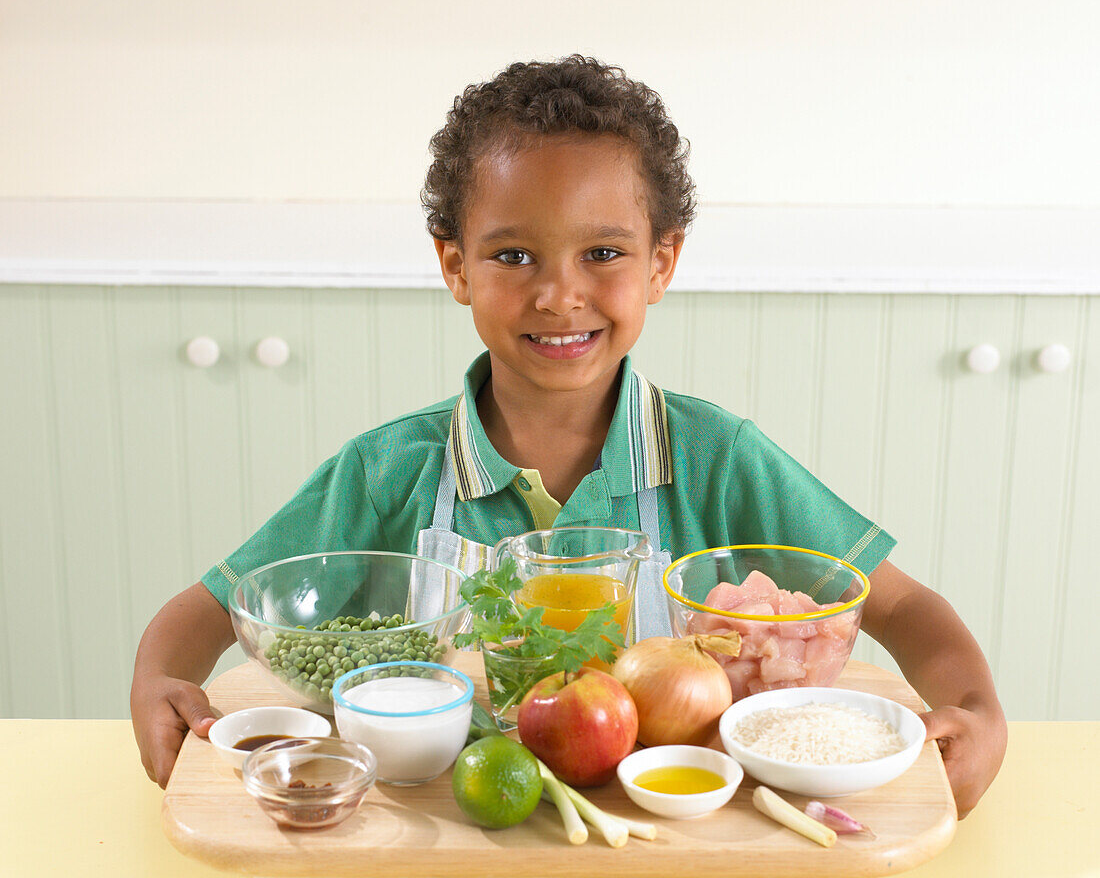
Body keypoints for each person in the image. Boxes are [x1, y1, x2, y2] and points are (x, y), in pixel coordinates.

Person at [131, 54, 1006, 816]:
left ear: (662, 262)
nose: (559, 295)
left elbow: (901, 608)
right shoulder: (387, 472)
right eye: (514, 256)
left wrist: (974, 706)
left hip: (678, 830)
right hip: (453, 824)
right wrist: (160, 678)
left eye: (604, 253)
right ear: (454, 266)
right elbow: (209, 612)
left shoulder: (716, 460)